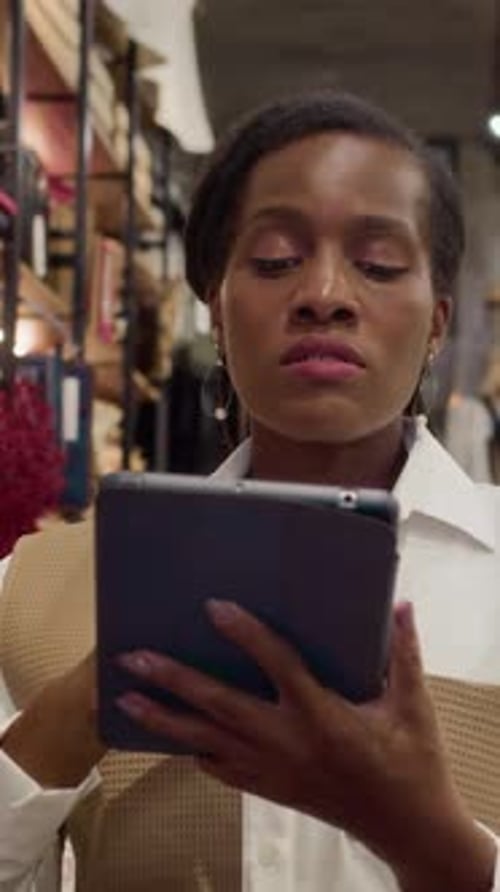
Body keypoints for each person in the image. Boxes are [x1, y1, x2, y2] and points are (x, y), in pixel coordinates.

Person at [0, 90, 499, 892]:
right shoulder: (37, 592)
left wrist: (437, 847)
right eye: (273, 259)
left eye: (377, 264)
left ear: (437, 322)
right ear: (218, 313)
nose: (325, 293)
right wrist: (81, 712)